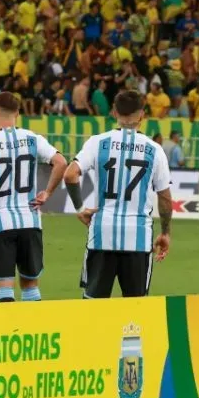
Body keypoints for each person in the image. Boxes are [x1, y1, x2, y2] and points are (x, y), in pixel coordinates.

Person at [63, 90, 172, 299]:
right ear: (142, 115)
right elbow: (165, 198)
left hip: (102, 233)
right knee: (135, 306)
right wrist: (165, 232)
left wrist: (80, 208)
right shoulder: (155, 150)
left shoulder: (97, 142)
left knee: (93, 304)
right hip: (138, 237)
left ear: (114, 112)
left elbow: (70, 174)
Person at [0, 92, 67, 303]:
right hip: (30, 220)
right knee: (31, 285)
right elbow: (61, 162)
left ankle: (7, 323)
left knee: (4, 287)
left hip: (0, 223)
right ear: (18, 113)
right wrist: (47, 192)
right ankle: (33, 323)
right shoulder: (33, 139)